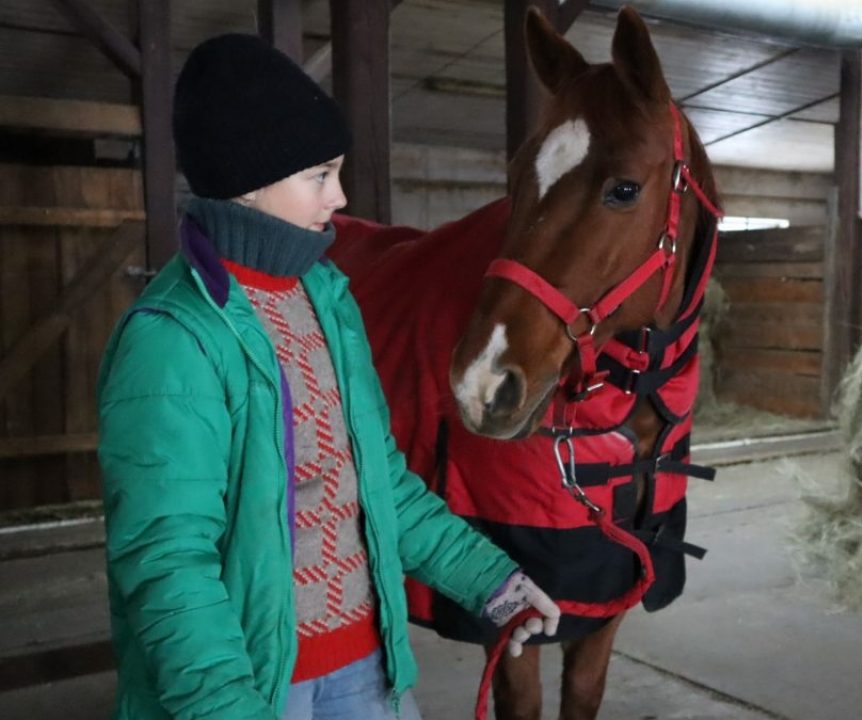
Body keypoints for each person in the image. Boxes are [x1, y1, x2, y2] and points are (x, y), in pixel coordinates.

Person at [96, 33, 559, 720]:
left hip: (370, 668)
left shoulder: (327, 298)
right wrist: (226, 707)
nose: (340, 196)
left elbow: (382, 485)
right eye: (320, 174)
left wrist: (492, 580)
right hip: (259, 688)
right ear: (248, 181)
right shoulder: (173, 340)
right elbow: (167, 562)